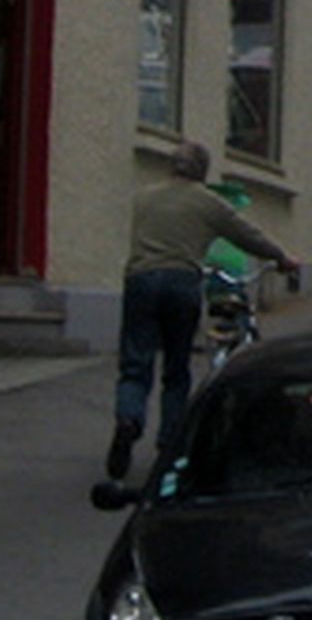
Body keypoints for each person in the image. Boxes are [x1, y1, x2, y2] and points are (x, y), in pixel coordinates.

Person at [111, 140, 299, 481]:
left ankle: (128, 419)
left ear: (172, 167)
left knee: (135, 364)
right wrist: (281, 257)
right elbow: (246, 235)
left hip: (140, 279)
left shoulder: (144, 197)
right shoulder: (208, 203)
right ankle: (168, 446)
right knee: (176, 367)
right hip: (181, 282)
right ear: (202, 172)